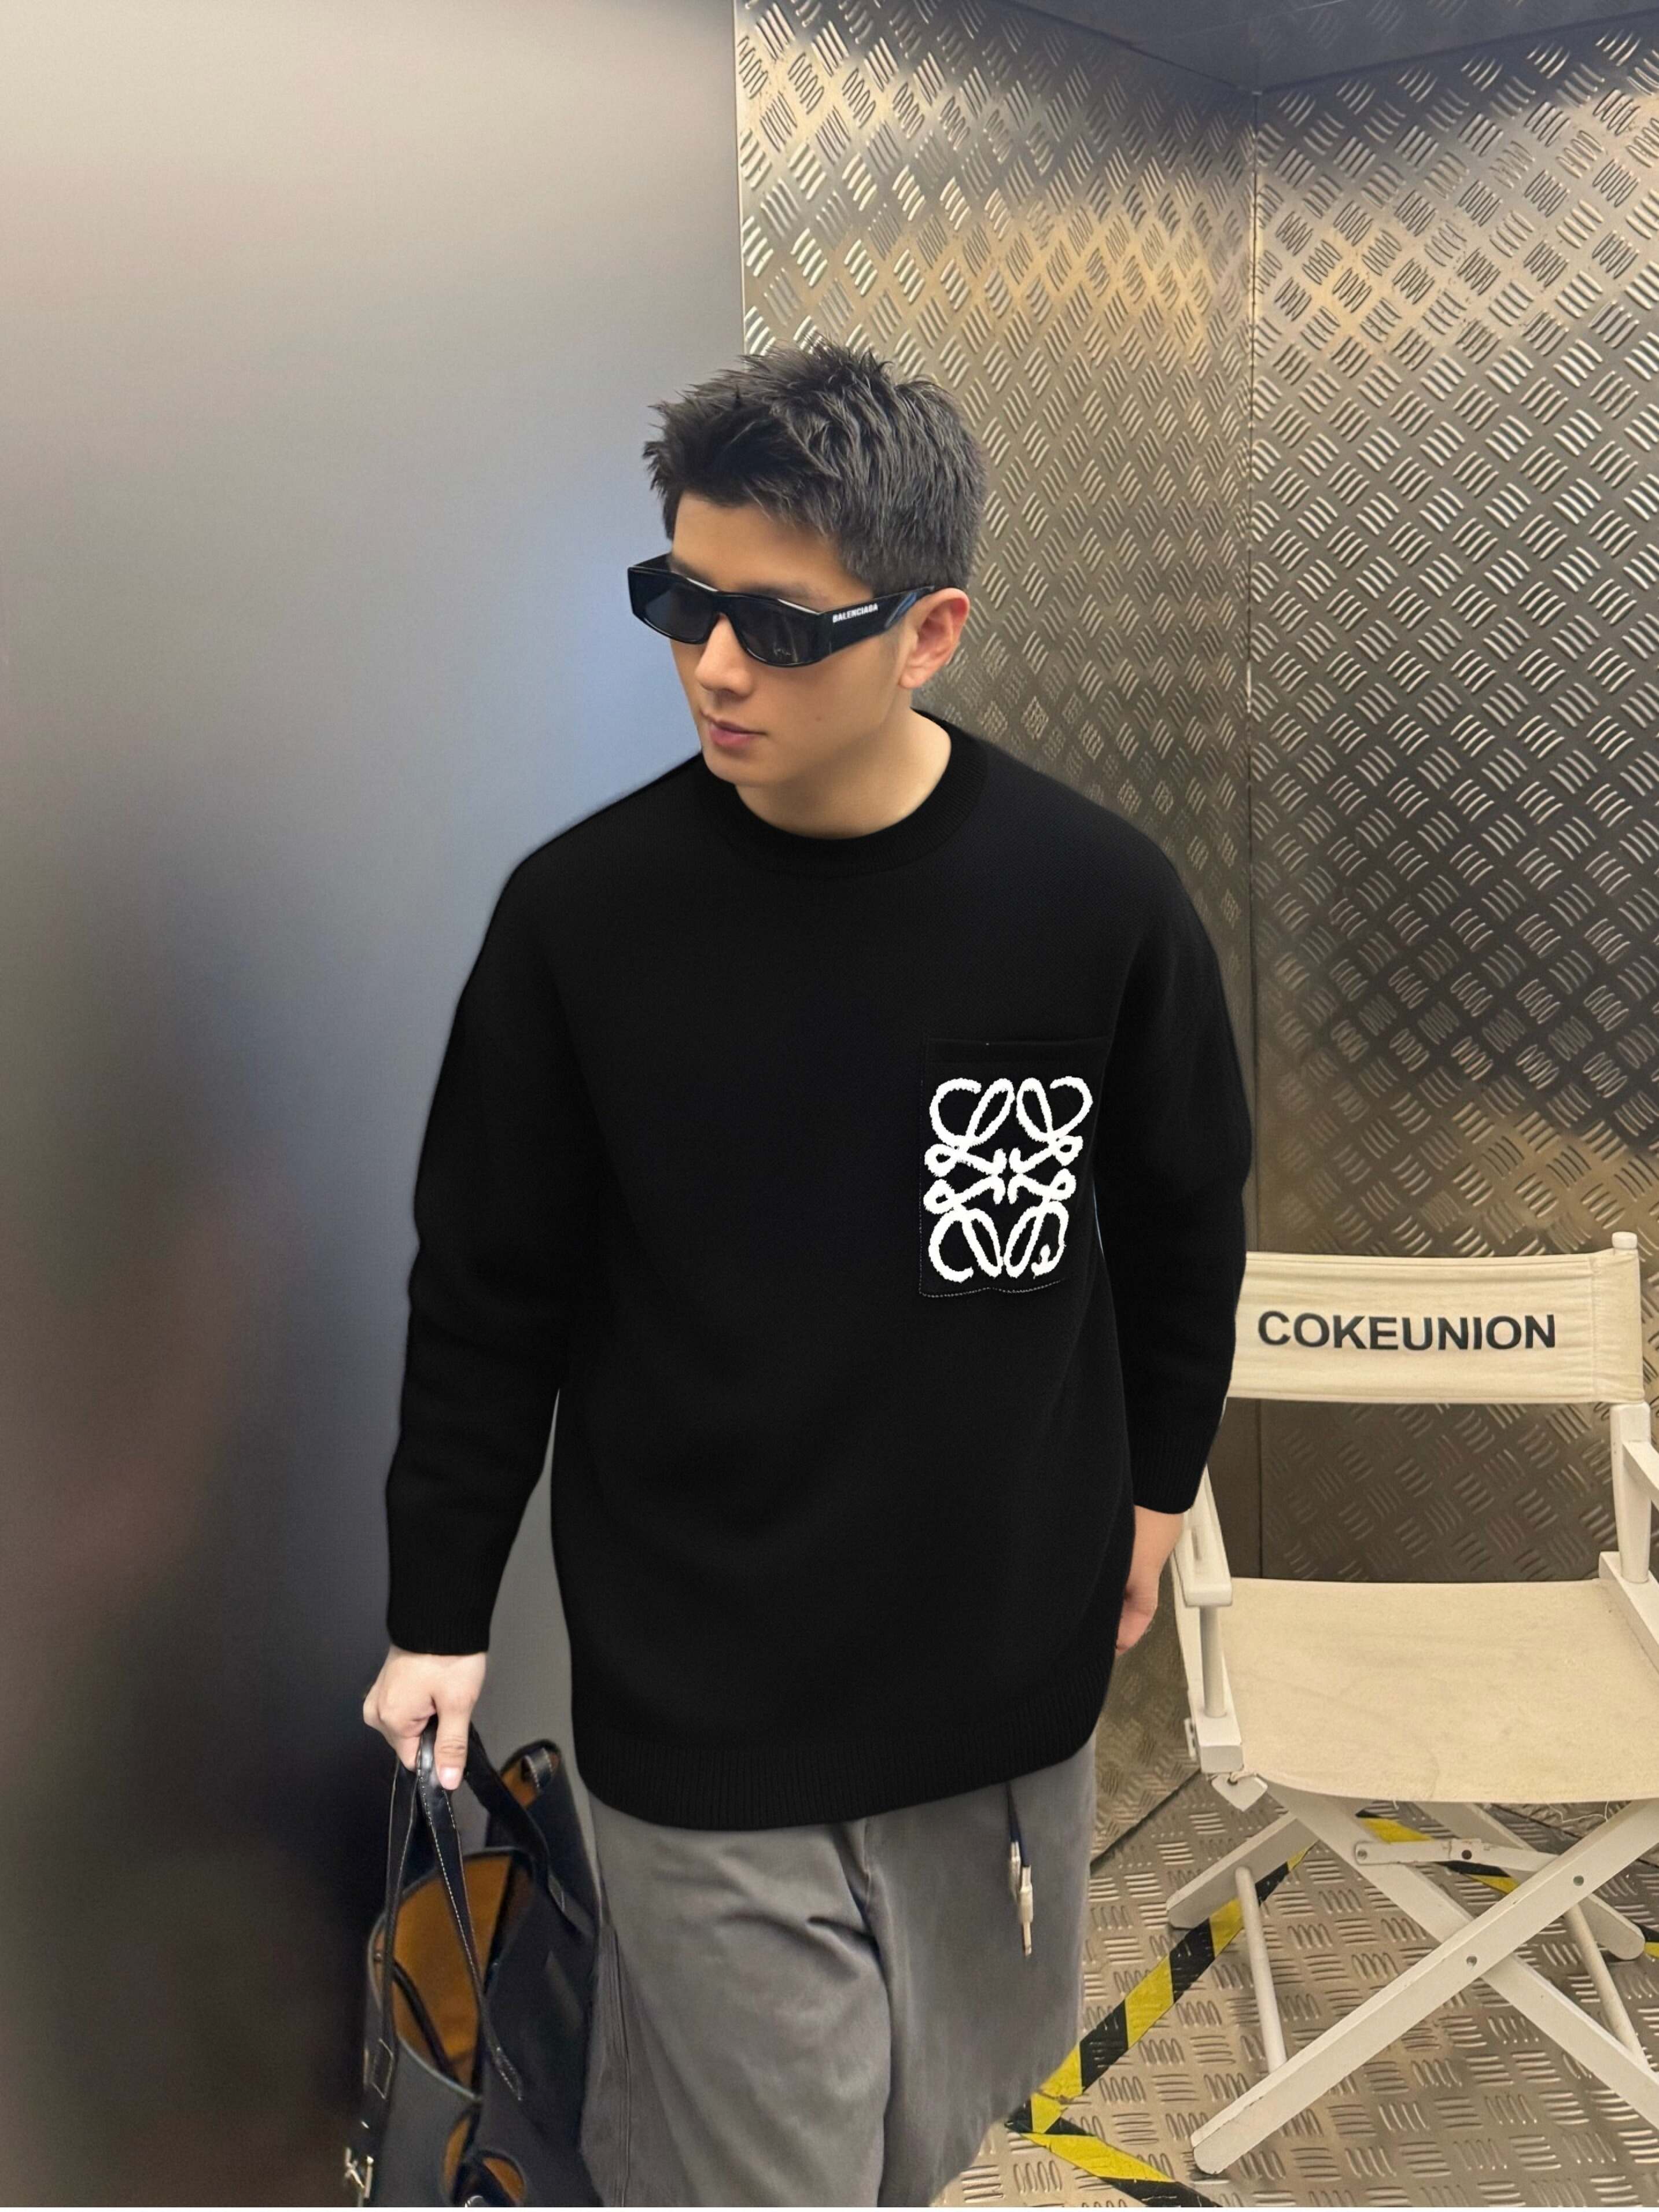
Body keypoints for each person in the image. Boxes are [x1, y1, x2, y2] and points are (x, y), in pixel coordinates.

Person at [362, 339, 1253, 2207]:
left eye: (777, 625)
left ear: (930, 634)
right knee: (776, 2170)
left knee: (929, 2131)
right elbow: (492, 1286)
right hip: (706, 1689)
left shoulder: (1090, 901)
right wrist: (439, 1607)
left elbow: (1182, 1209)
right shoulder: (583, 922)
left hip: (998, 1682)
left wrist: (1158, 1480)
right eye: (678, 600)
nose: (711, 664)